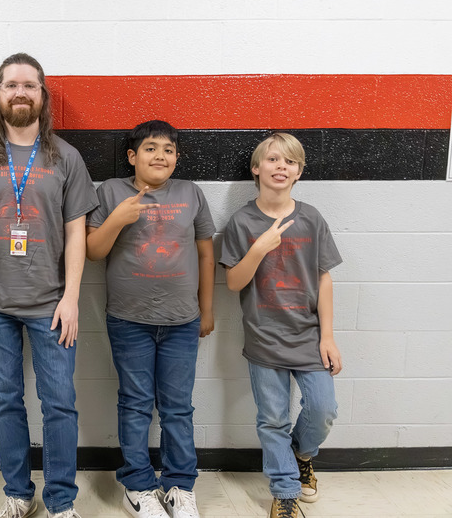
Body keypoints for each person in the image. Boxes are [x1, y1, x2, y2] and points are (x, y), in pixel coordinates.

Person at [0, 52, 98, 518]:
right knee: (4, 402)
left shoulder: (66, 157)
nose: (20, 92)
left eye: (29, 85)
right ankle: (18, 493)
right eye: (11, 85)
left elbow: (77, 230)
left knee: (60, 404)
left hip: (52, 304)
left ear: (42, 95)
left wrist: (72, 298)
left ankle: (60, 502)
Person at [85, 120, 215, 518]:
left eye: (168, 150)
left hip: (182, 320)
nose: (160, 156)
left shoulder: (191, 193)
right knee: (136, 403)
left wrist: (207, 310)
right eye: (150, 148)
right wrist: (117, 219)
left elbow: (206, 254)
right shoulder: (108, 191)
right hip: (129, 319)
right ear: (132, 156)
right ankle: (139, 485)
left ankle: (179, 484)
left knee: (178, 406)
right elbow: (93, 251)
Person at [219, 133, 342, 518]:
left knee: (323, 409)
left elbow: (323, 278)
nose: (281, 167)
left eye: (290, 162)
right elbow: (234, 282)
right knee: (273, 418)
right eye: (273, 160)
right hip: (264, 337)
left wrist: (329, 336)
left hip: (307, 336)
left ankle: (301, 455)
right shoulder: (242, 221)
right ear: (257, 168)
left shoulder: (311, 218)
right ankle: (285, 489)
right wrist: (258, 249)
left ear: (299, 172)